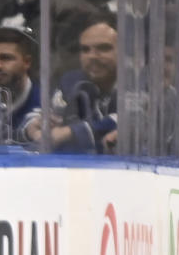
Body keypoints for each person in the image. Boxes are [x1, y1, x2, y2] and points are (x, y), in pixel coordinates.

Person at [22, 13, 117, 153]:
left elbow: (130, 120)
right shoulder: (72, 81)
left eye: (103, 48)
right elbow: (45, 113)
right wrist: (33, 127)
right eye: (85, 49)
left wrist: (70, 132)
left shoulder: (138, 83)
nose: (92, 56)